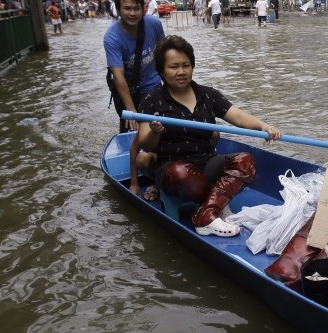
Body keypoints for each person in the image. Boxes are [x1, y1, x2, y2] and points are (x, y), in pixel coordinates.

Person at [136, 35, 282, 237]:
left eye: (186, 65)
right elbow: (146, 143)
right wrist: (155, 131)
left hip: (207, 163)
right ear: (161, 71)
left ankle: (206, 214)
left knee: (245, 161)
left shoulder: (208, 95)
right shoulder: (151, 100)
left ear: (192, 67)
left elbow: (238, 117)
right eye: (173, 67)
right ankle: (216, 204)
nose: (181, 72)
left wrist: (264, 126)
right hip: (172, 169)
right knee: (180, 172)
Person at [104, 0, 166, 196]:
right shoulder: (112, 37)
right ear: (118, 10)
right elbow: (118, 75)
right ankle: (132, 173)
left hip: (152, 84)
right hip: (126, 89)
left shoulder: (154, 24)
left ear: (143, 8)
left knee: (157, 128)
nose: (132, 13)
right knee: (131, 129)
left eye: (136, 8)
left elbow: (165, 53)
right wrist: (131, 110)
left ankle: (156, 164)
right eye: (127, 8)